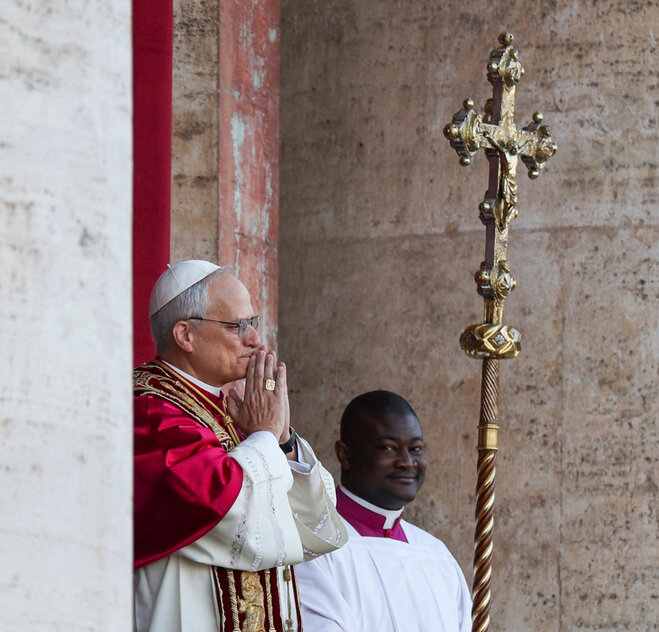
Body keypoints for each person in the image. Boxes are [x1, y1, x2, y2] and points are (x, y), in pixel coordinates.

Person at [134, 260, 347, 632]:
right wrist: (265, 436)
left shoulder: (233, 412)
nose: (255, 341)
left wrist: (282, 441)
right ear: (185, 335)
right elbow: (221, 508)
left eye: (254, 324)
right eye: (238, 327)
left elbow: (313, 527)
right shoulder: (149, 410)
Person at [296, 390, 473, 631]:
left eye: (416, 449)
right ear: (344, 455)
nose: (408, 462)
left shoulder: (436, 555)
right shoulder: (314, 546)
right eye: (389, 448)